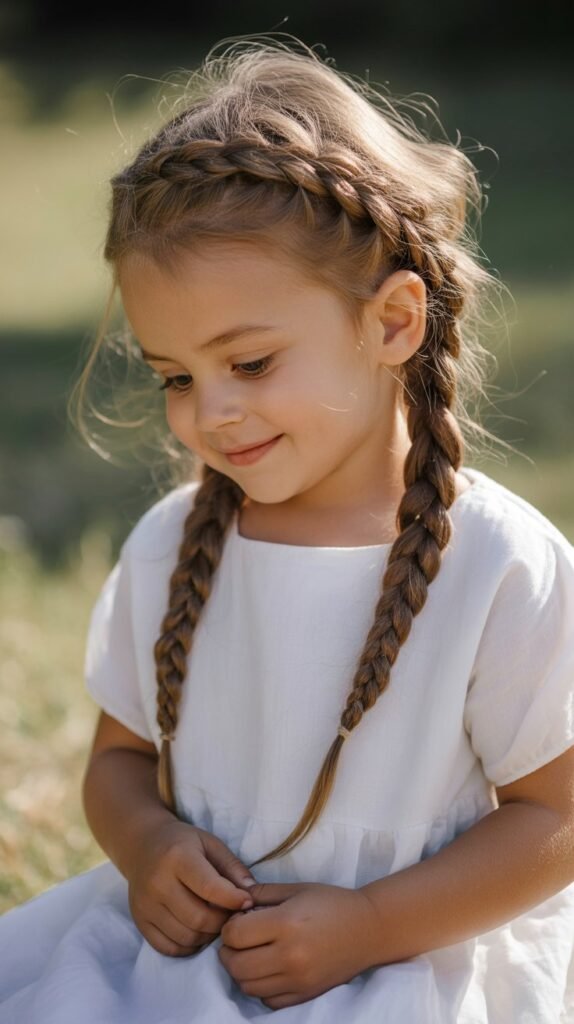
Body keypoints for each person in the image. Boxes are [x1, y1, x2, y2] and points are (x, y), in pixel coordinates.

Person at [1, 34, 573, 1024]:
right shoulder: (173, 545)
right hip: (185, 959)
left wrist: (370, 925)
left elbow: (555, 818)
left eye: (251, 363)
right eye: (176, 376)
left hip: (414, 959)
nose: (210, 412)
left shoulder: (495, 565)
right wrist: (147, 847)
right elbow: (118, 763)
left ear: (393, 322)